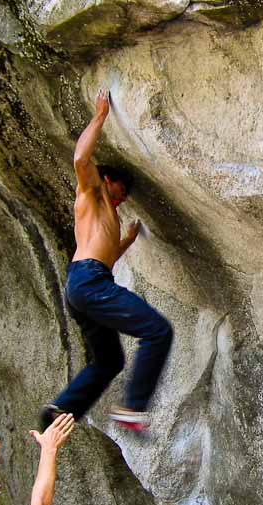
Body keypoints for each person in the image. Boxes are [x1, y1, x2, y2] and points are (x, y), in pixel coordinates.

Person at [41, 88, 173, 434]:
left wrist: (126, 240)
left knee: (109, 360)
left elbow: (107, 255)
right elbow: (81, 161)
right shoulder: (91, 193)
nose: (124, 197)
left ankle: (60, 411)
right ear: (107, 181)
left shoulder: (107, 218)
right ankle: (133, 408)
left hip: (85, 286)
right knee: (158, 331)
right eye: (122, 190)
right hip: (89, 281)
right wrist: (100, 116)